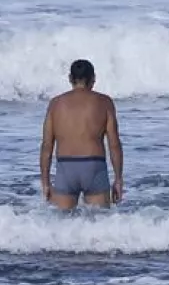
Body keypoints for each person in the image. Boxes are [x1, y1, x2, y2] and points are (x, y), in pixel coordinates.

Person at [39, 59, 123, 210]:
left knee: (62, 225)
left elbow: (47, 146)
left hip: (65, 168)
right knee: (100, 224)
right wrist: (118, 179)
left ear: (70, 79)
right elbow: (114, 144)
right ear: (93, 79)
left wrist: (45, 182)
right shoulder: (104, 102)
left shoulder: (55, 104)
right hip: (94, 166)